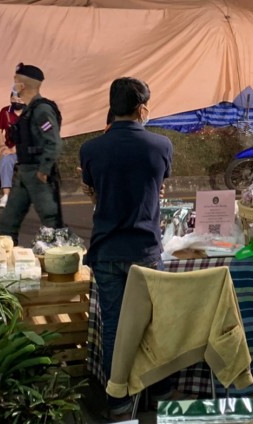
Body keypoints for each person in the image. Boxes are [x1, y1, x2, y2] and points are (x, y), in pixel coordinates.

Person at [79, 77, 173, 418]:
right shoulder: (161, 145)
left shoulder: (90, 150)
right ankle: (160, 394)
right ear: (142, 109)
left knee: (115, 328)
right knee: (153, 325)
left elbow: (95, 194)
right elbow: (155, 188)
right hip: (145, 250)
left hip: (107, 250)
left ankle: (119, 403)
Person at [0, 63, 63, 245]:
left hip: (38, 174)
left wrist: (44, 169)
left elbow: (54, 142)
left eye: (15, 81)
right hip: (25, 172)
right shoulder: (29, 110)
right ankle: (5, 256)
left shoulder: (42, 110)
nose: (14, 85)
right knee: (7, 223)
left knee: (52, 224)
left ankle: (62, 259)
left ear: (22, 86)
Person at [0, 93, 25, 208]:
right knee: (5, 159)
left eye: (20, 99)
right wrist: (2, 145)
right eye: (14, 99)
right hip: (9, 148)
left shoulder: (31, 112)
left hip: (27, 149)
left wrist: (13, 150)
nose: (17, 102)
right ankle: (6, 195)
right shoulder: (5, 111)